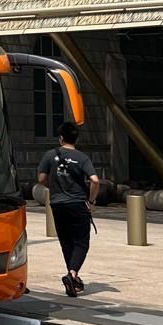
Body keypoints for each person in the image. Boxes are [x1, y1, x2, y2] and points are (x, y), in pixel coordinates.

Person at [37, 122, 100, 297]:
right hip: (77, 204)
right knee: (81, 242)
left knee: (66, 242)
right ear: (75, 138)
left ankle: (73, 278)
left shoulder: (50, 155)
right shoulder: (82, 158)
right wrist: (92, 201)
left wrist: (54, 186)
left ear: (61, 138)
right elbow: (95, 180)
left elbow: (41, 178)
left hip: (57, 204)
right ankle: (72, 274)